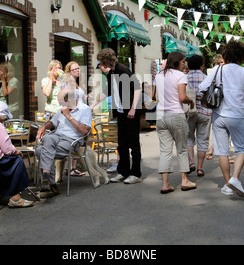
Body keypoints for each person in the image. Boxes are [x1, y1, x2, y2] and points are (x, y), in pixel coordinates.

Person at [199, 41, 244, 197]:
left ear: (226, 54)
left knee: (222, 151)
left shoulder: (218, 69)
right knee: (242, 148)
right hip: (236, 114)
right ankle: (235, 178)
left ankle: (227, 184)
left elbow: (202, 88)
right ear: (242, 55)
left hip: (218, 115)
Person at [93, 48, 143, 184]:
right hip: (120, 111)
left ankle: (136, 173)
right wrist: (93, 104)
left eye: (101, 63)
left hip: (131, 111)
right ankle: (123, 171)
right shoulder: (112, 73)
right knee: (122, 144)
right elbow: (107, 91)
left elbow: (137, 88)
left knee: (133, 143)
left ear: (108, 61)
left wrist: (133, 108)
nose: (100, 66)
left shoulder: (123, 70)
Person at [36, 88, 92, 197]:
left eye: (62, 102)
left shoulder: (85, 109)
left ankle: (50, 184)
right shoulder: (62, 109)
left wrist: (68, 116)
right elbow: (52, 123)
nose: (61, 105)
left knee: (40, 150)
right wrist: (44, 127)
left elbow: (85, 131)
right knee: (48, 138)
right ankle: (49, 182)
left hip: (71, 141)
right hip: (57, 138)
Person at [153, 51, 196, 194]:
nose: (185, 64)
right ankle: (185, 181)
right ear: (177, 62)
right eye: (183, 61)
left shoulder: (158, 75)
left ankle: (165, 184)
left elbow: (154, 95)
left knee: (165, 150)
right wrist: (191, 101)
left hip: (160, 115)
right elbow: (182, 97)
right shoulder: (180, 76)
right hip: (176, 115)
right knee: (182, 149)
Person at [186, 54, 212, 177]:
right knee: (203, 140)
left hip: (189, 112)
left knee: (189, 138)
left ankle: (191, 162)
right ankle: (200, 168)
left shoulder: (185, 78)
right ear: (201, 65)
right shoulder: (207, 78)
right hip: (205, 111)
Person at [60, 61, 87, 176]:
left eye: (78, 68)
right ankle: (69, 168)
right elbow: (65, 99)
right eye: (74, 69)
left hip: (80, 114)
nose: (77, 71)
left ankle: (73, 167)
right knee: (72, 139)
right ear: (69, 72)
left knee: (78, 139)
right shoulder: (66, 83)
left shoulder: (76, 83)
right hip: (73, 114)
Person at [206, 54, 225, 160]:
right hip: (216, 101)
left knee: (218, 127)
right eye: (222, 62)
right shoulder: (214, 72)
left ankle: (213, 148)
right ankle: (214, 148)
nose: (224, 64)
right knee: (217, 127)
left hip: (217, 101)